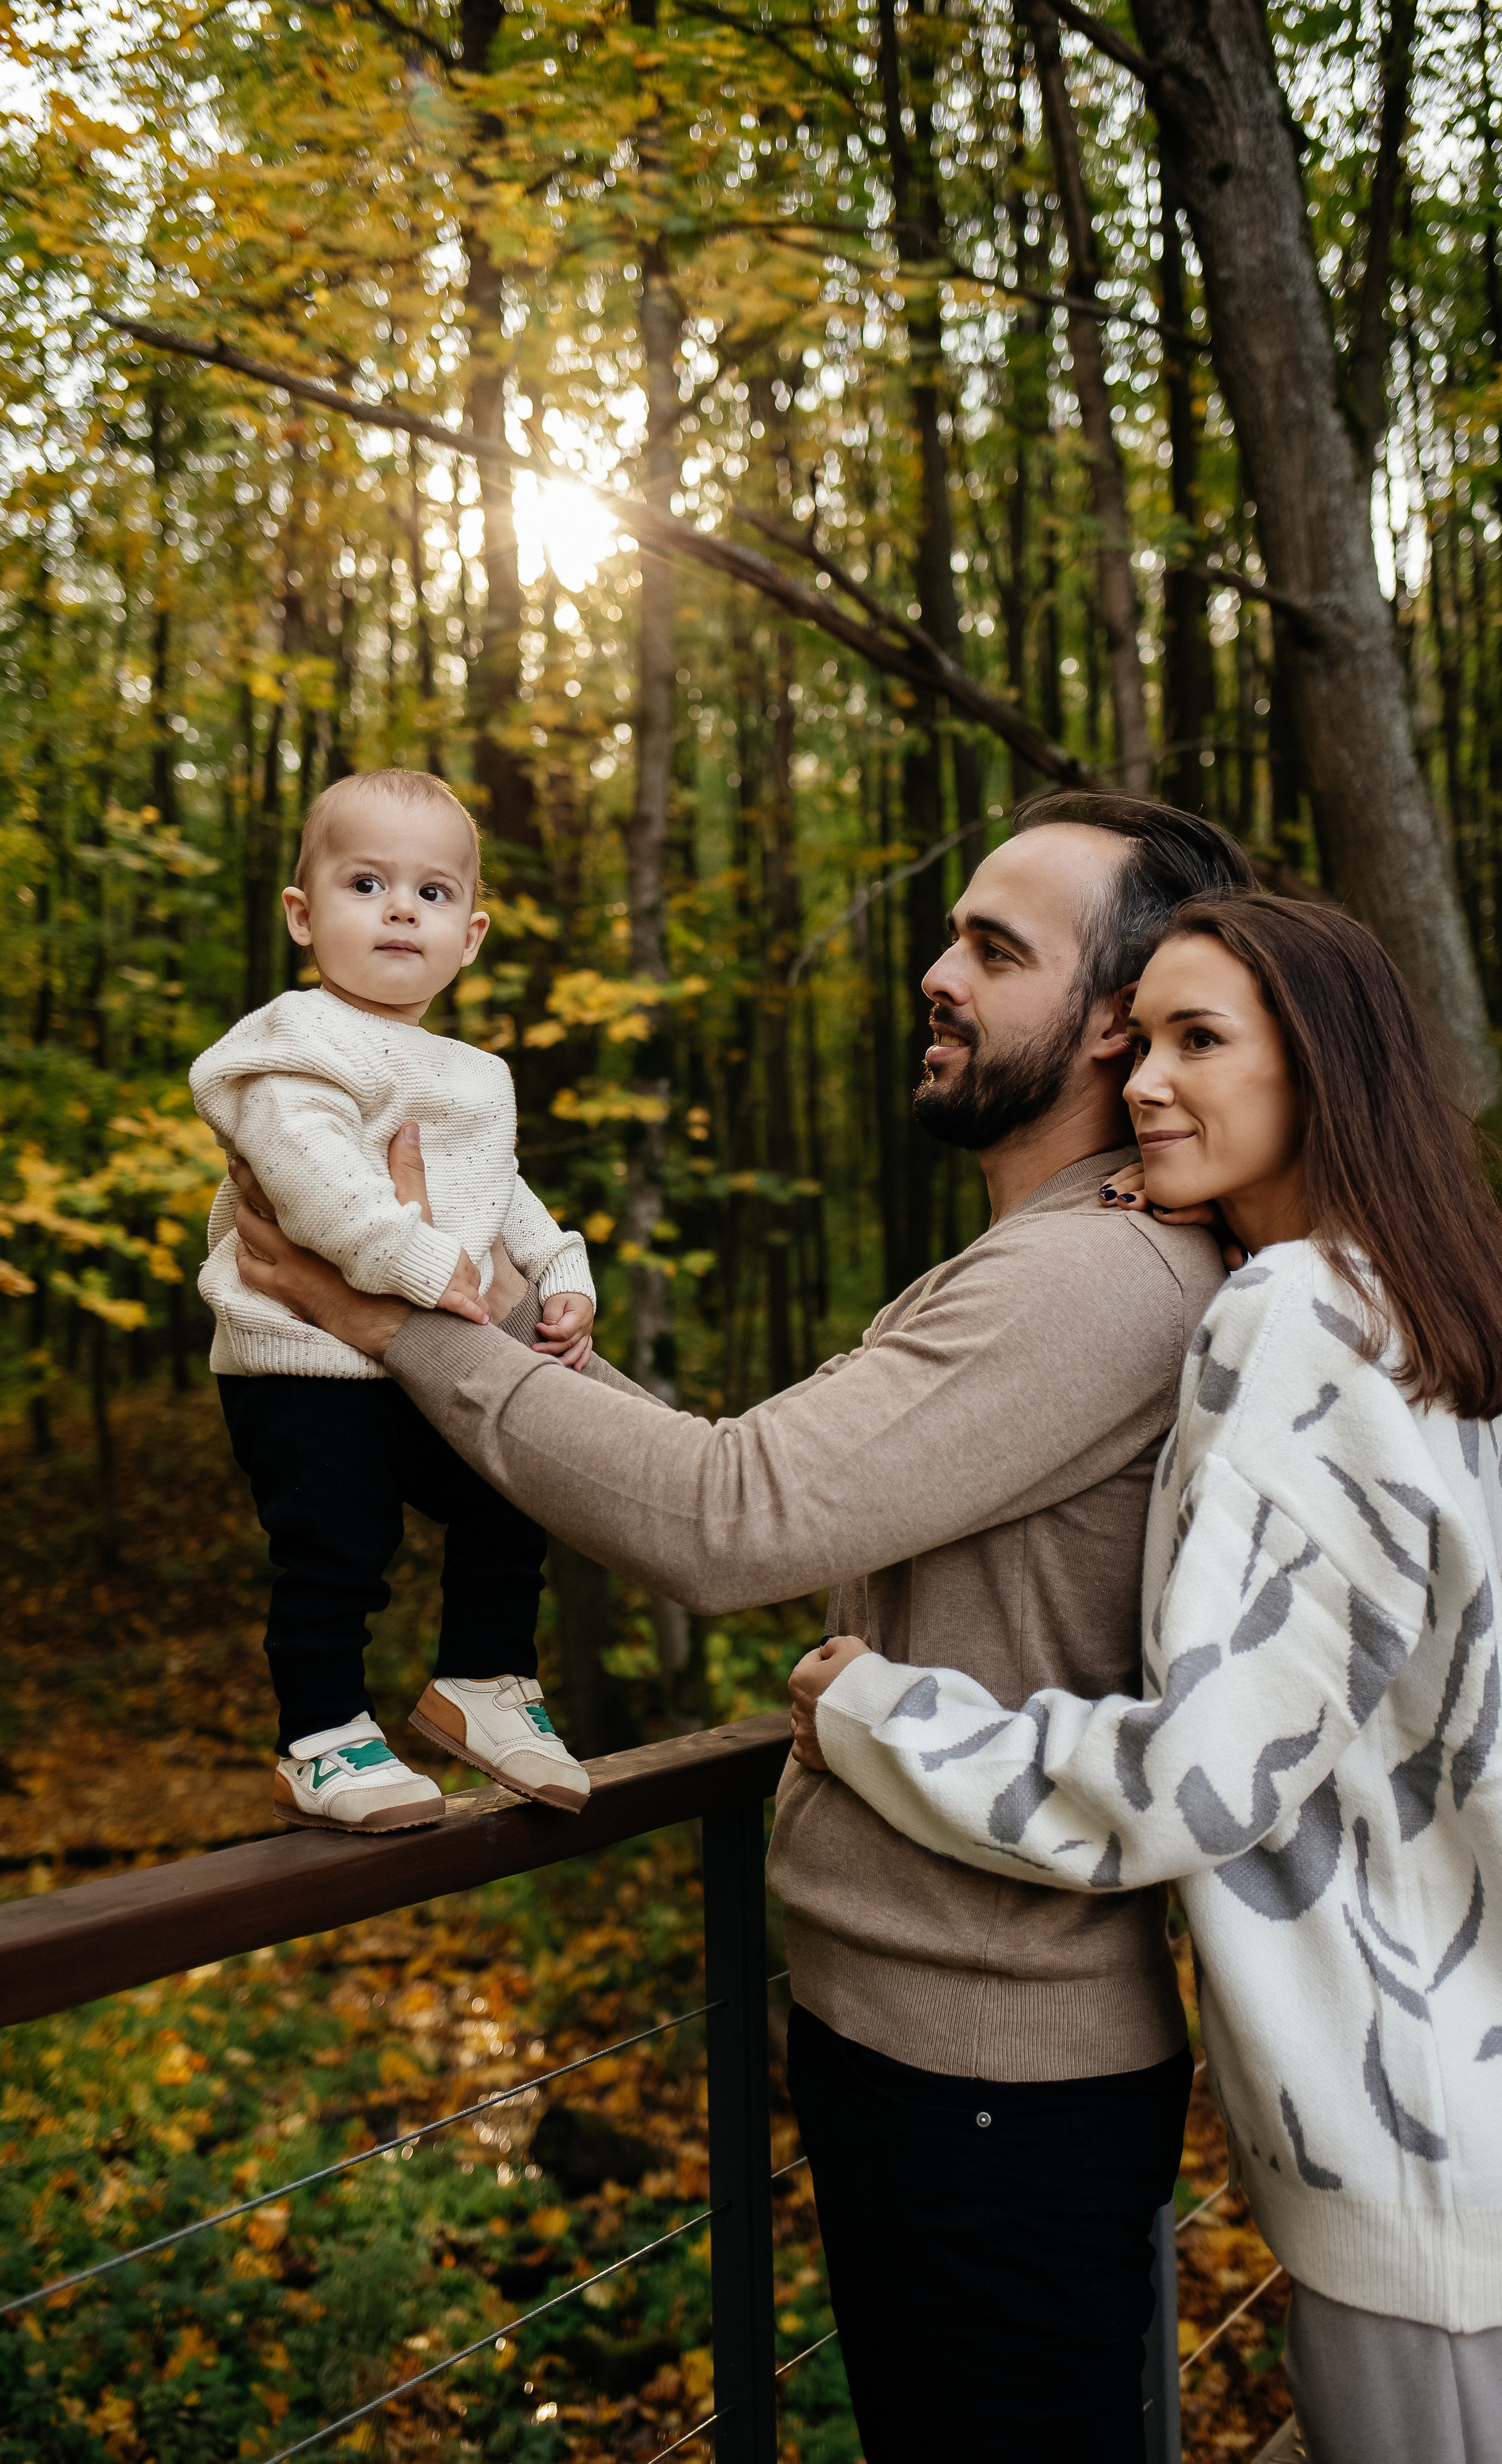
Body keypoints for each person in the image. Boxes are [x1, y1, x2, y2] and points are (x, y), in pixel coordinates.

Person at [225, 790, 1256, 2461]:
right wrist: (482, 1313)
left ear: (1121, 1022)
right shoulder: (1051, 1255)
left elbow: (723, 1523)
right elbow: (742, 1474)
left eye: (995, 948)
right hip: (947, 2043)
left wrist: (382, 1320)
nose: (936, 970)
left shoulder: (1089, 1280)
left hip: (994, 2072)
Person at [790, 890, 1502, 2464]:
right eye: (1133, 1045)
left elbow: (1199, 1777)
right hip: (1490, 2120)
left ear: (1322, 1066)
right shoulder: (1401, 1300)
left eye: (1197, 1040)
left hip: (1424, 2159)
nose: (1140, 1086)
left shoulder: (1296, 1315)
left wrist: (876, 1708)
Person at [190, 768, 596, 1834]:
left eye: (432, 892)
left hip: (420, 1355)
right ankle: (320, 1738)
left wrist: (560, 1272)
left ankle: (485, 1678)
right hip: (301, 1361)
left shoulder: (470, 1070)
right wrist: (414, 1260)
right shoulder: (294, 1039)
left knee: (511, 1486)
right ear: (304, 914)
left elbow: (496, 1188)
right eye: (366, 883)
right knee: (338, 1540)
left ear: (470, 935)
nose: (401, 909)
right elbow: (310, 1173)